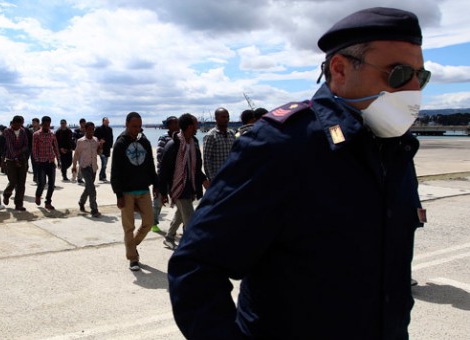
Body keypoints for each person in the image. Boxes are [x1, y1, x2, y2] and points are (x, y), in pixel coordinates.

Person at [168, 7, 430, 339]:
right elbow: (195, 266)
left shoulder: (395, 149)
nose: (413, 89)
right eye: (398, 73)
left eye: (420, 76)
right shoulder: (284, 145)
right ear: (340, 69)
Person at [111, 112, 158, 271]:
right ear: (126, 125)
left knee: (149, 222)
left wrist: (156, 185)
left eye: (139, 126)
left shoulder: (144, 141)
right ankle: (133, 258)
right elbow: (115, 170)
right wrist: (118, 194)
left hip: (143, 189)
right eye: (133, 126)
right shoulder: (120, 143)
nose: (137, 129)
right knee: (128, 227)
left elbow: (151, 165)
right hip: (126, 191)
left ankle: (131, 245)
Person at [158, 114, 208, 250]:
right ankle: (193, 249)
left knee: (180, 214)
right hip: (178, 187)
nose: (197, 127)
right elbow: (163, 171)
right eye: (196, 125)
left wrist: (203, 180)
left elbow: (196, 167)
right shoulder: (172, 145)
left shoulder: (194, 143)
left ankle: (169, 237)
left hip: (191, 187)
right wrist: (162, 192)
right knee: (190, 220)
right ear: (190, 127)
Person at [151, 116, 180, 232]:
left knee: (179, 201)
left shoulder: (181, 137)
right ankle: (153, 223)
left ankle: (177, 224)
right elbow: (159, 156)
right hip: (163, 175)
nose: (178, 125)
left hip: (177, 175)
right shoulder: (163, 138)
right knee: (158, 200)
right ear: (169, 126)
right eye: (175, 123)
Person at [72, 121, 103, 218]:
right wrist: (74, 166)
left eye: (93, 129)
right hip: (84, 167)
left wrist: (101, 146)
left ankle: (81, 202)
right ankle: (94, 209)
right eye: (89, 129)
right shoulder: (80, 141)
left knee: (89, 187)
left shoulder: (95, 140)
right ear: (85, 129)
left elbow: (99, 153)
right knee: (92, 189)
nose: (91, 131)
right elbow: (76, 154)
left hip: (93, 167)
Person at [32, 116, 61, 210]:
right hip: (41, 163)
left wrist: (58, 160)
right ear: (42, 124)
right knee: (42, 183)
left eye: (48, 124)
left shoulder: (52, 134)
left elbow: (55, 147)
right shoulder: (36, 134)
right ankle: (38, 195)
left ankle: (48, 202)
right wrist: (36, 160)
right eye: (45, 124)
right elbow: (34, 148)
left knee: (52, 184)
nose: (47, 126)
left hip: (51, 162)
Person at [2, 116, 29, 211]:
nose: (20, 126)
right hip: (10, 160)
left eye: (21, 124)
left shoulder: (22, 131)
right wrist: (15, 158)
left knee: (21, 183)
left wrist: (19, 152)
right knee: (13, 181)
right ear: (13, 123)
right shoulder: (7, 131)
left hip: (22, 159)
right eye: (18, 124)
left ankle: (19, 204)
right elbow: (9, 146)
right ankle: (6, 194)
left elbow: (26, 145)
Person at [202, 107, 236, 182]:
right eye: (223, 117)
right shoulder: (211, 136)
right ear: (216, 118)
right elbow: (207, 160)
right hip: (217, 178)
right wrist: (211, 179)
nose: (226, 119)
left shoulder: (231, 134)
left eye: (227, 117)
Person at [94, 117, 113, 182]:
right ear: (103, 122)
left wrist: (111, 146)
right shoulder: (98, 129)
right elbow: (94, 137)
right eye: (106, 121)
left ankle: (101, 176)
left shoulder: (110, 129)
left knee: (105, 164)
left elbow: (111, 137)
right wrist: (99, 141)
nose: (107, 123)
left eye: (108, 122)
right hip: (101, 148)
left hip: (107, 148)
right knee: (104, 163)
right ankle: (102, 176)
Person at [72, 118, 87, 183]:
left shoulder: (87, 130)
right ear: (80, 123)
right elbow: (74, 139)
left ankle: (79, 176)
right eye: (83, 123)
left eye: (84, 123)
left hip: (86, 150)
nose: (84, 124)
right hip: (78, 150)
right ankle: (79, 178)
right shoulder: (77, 130)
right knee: (81, 164)